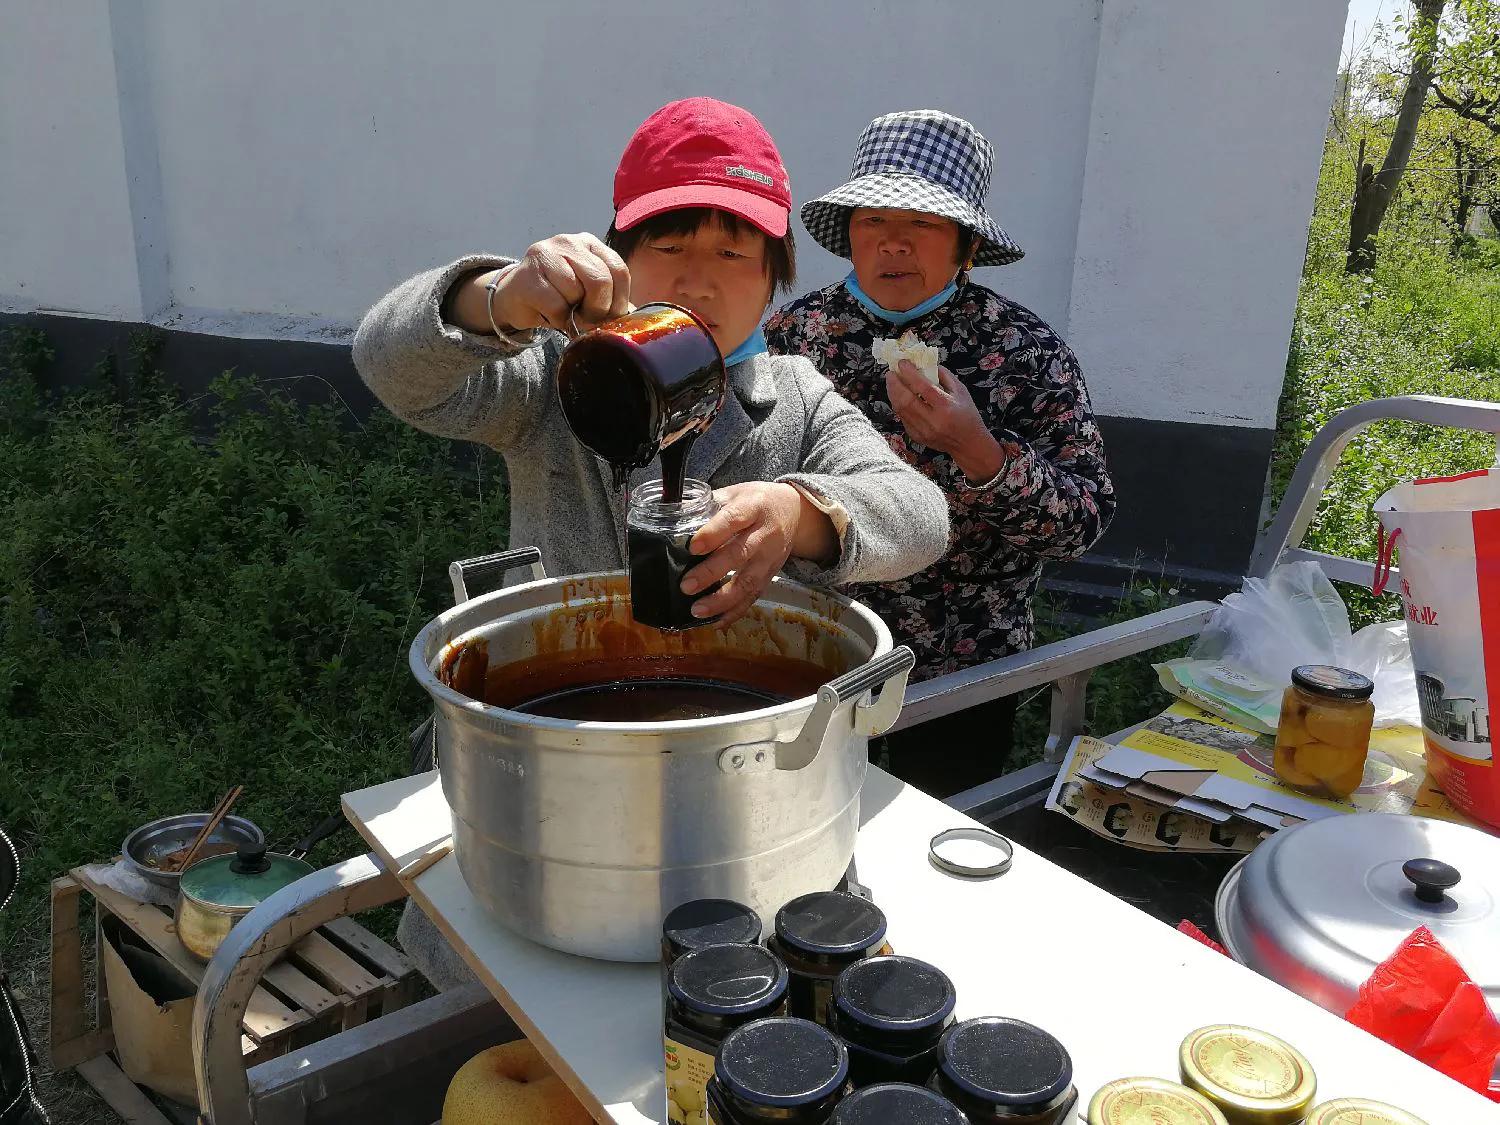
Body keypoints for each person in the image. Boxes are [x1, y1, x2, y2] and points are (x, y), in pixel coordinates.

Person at [353, 97, 949, 987]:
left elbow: (919, 511)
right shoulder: (555, 380)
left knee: (727, 1010)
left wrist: (798, 512)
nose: (697, 281)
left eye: (732, 252)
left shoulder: (801, 400)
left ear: (775, 275)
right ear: (619, 260)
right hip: (547, 790)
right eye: (668, 246)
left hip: (752, 796)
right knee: (516, 1005)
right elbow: (391, 368)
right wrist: (497, 300)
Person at [766, 110, 1116, 797]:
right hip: (815, 645)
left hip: (963, 661)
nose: (894, 244)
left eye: (922, 224)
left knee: (939, 839)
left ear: (966, 247)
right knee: (808, 826)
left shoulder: (1025, 351)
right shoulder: (795, 335)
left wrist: (979, 450)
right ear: (850, 237)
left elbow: (1084, 521)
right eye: (873, 222)